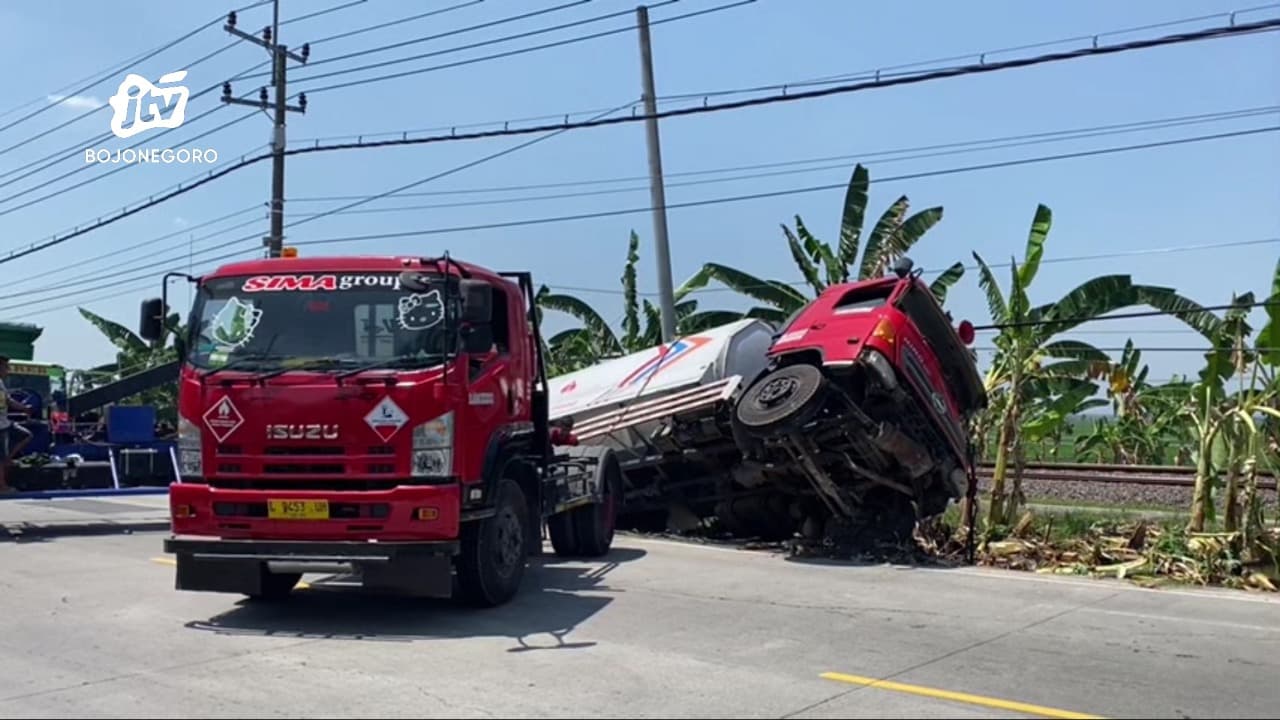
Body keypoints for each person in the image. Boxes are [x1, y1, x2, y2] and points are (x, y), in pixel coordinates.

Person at [0, 356, 33, 493]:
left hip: (5, 423)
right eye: (5, 367)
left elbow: (8, 400)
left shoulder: (1, 383)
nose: (8, 370)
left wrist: (24, 408)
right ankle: (2, 487)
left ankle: (8, 458)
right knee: (0, 459)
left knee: (26, 435)